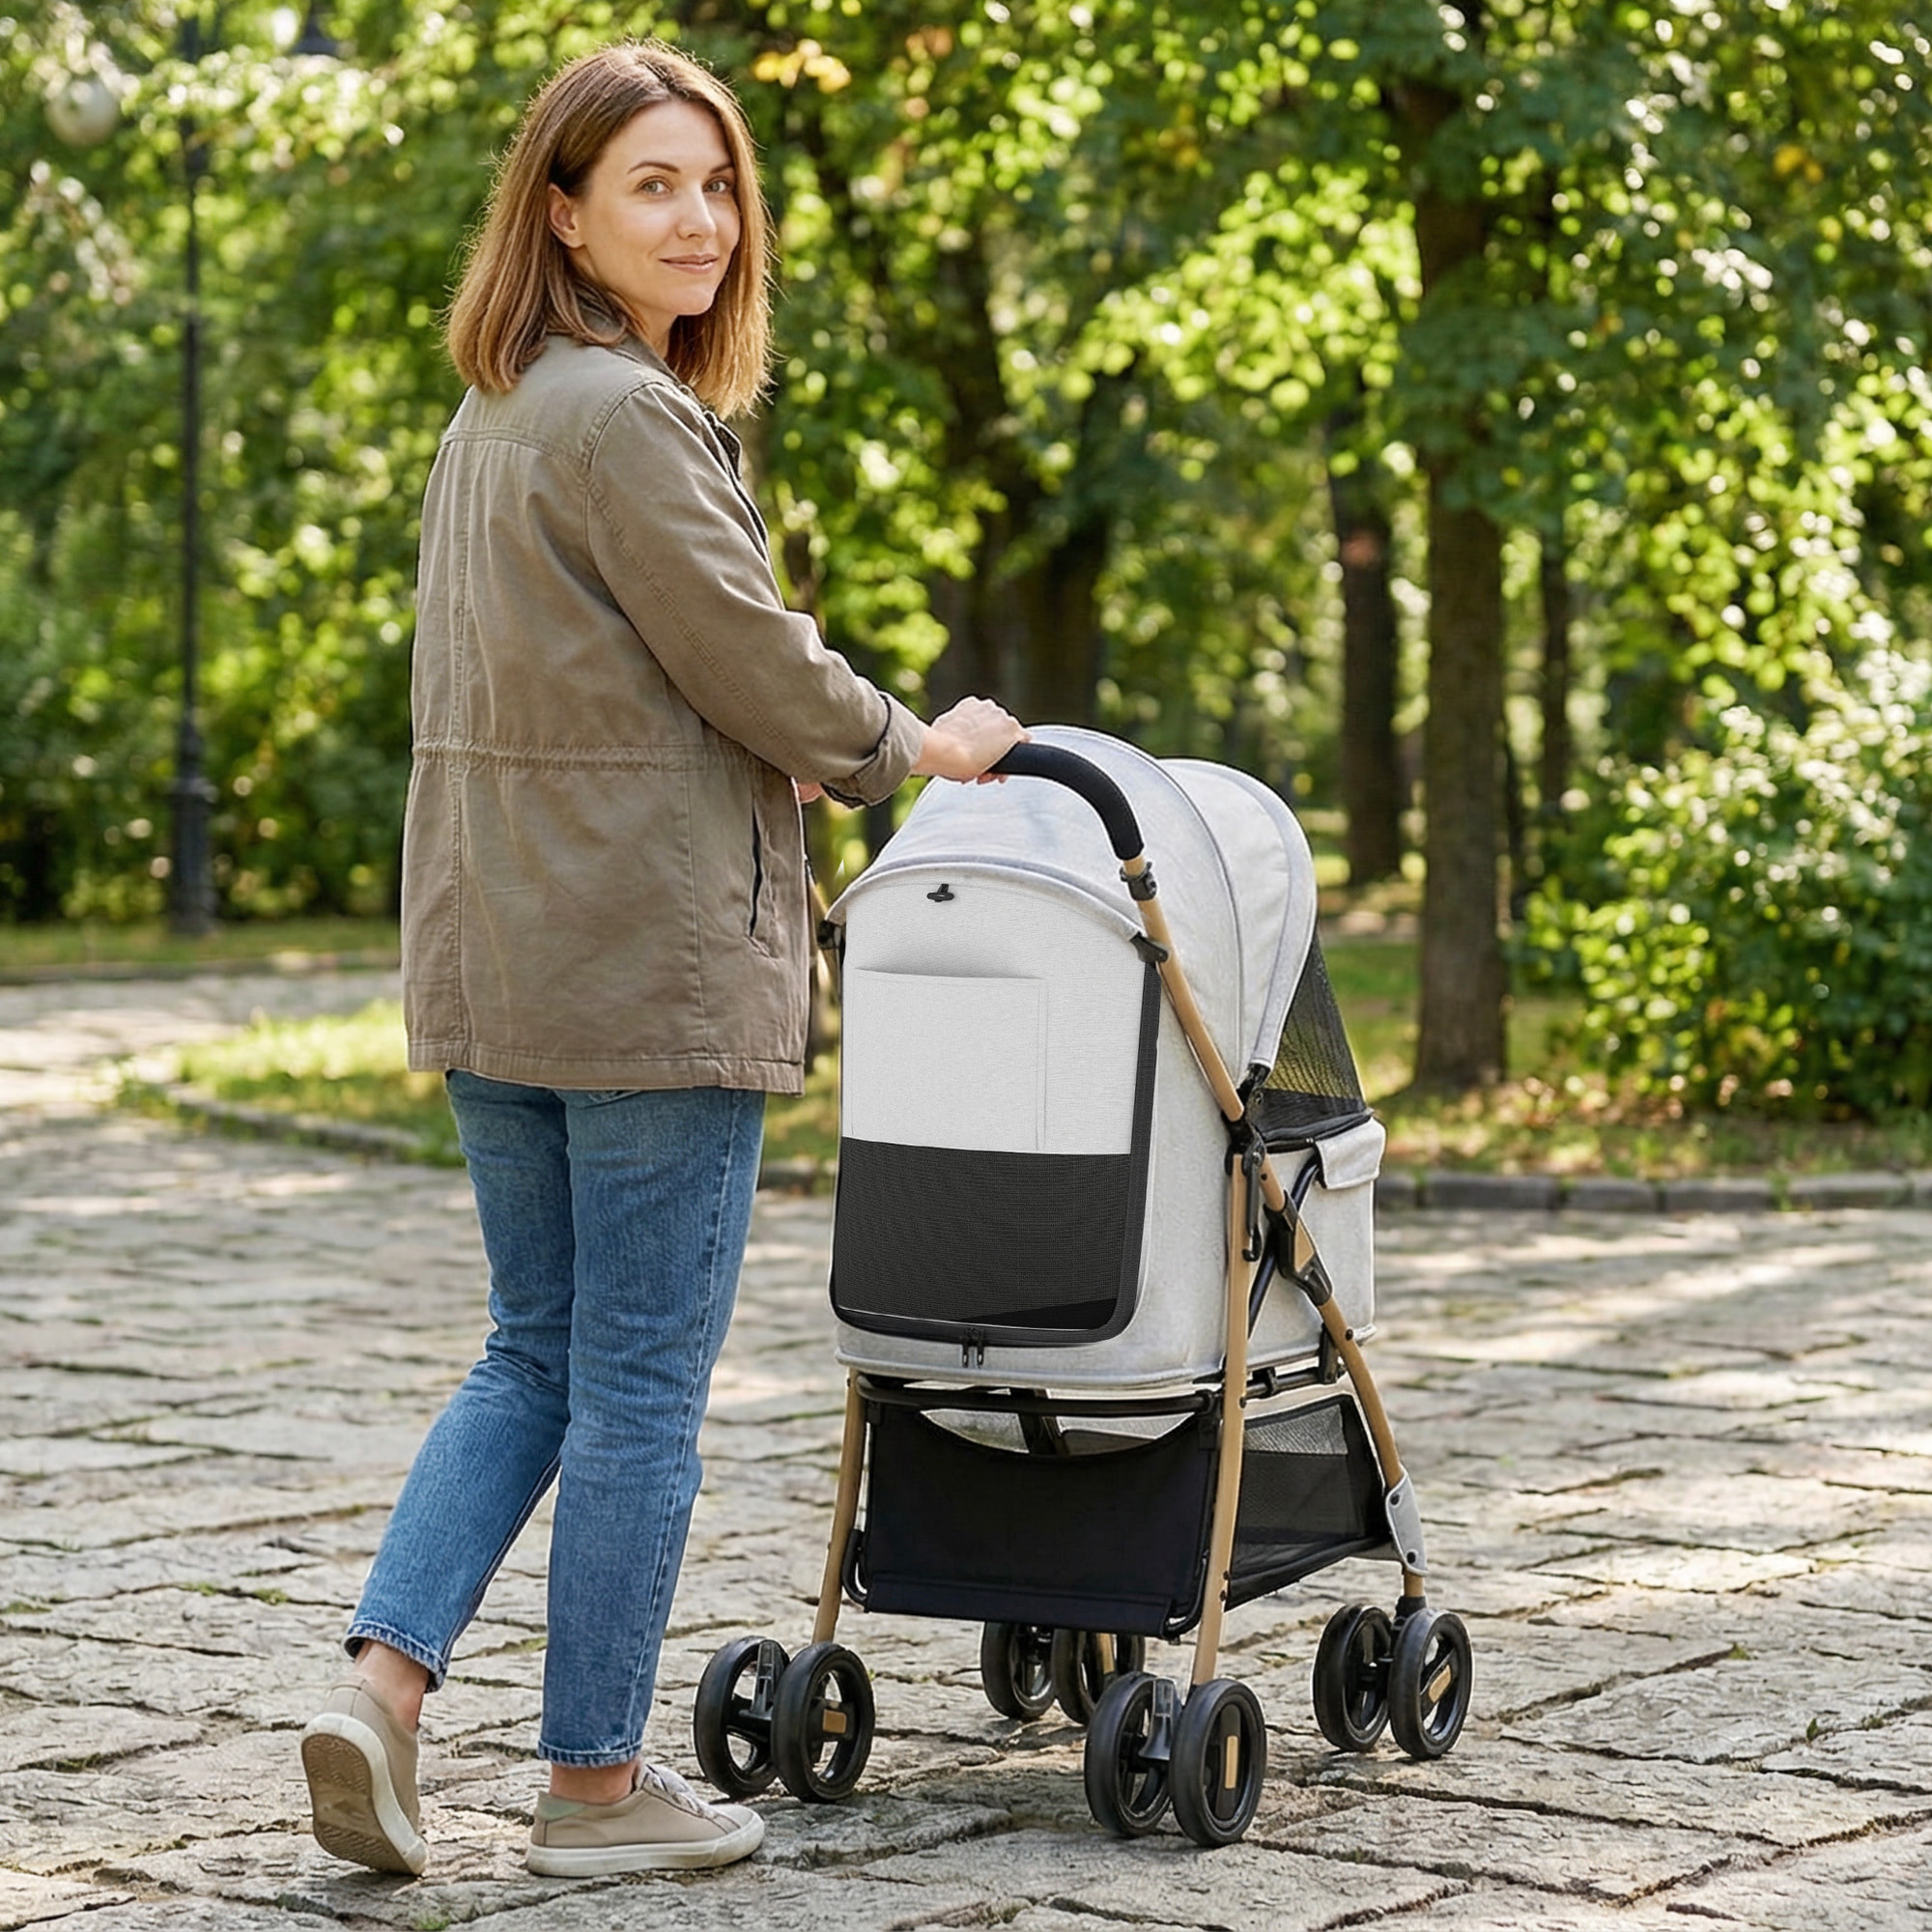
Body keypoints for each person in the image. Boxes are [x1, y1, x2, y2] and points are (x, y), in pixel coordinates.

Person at [298, 40, 1025, 1882]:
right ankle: (595, 1793)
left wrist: (790, 738)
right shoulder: (626, 416)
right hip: (647, 975)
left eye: (717, 187)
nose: (700, 221)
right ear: (561, 213)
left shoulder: (496, 414)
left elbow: (615, 681)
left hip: (503, 955)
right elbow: (753, 660)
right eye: (653, 186)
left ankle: (381, 1691)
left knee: (530, 1354)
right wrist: (911, 748)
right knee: (632, 1385)